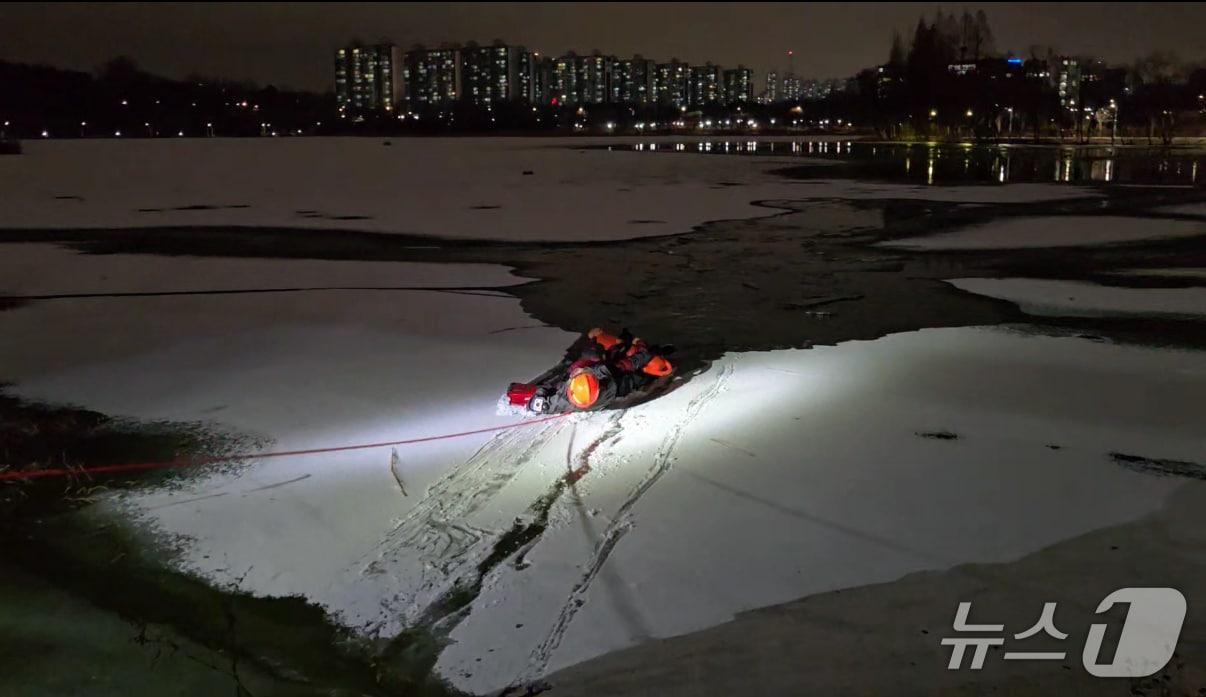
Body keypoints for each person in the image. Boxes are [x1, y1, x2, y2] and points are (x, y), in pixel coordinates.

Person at [507, 327, 674, 413]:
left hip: (614, 380)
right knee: (640, 373)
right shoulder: (604, 375)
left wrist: (541, 394)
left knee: (624, 360)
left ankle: (635, 346)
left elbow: (534, 405)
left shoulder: (563, 402)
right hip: (623, 385)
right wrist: (644, 351)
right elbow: (629, 364)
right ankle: (644, 348)